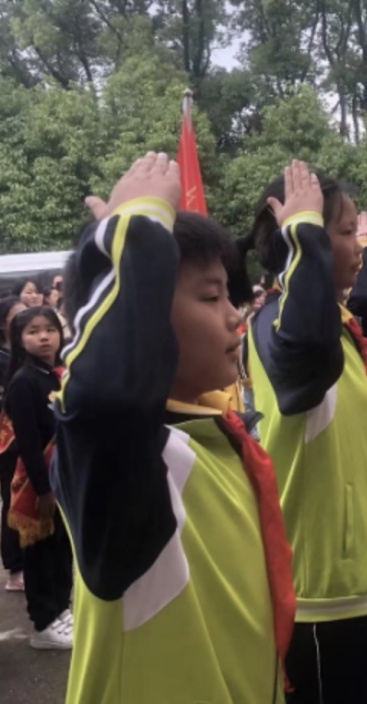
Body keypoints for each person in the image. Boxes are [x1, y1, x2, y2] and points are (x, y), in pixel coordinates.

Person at [54, 153, 295, 701]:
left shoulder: (217, 436)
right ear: (140, 318)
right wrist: (131, 233)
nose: (236, 315)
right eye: (210, 297)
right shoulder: (136, 464)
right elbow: (107, 394)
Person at [245, 161, 367, 704]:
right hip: (319, 595)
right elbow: (305, 359)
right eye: (341, 231)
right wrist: (304, 236)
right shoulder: (277, 326)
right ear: (298, 237)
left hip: (362, 583)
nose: (357, 244)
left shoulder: (340, 325)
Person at [3, 306, 73, 650]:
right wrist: (43, 489)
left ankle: (62, 608)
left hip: (63, 479)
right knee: (40, 554)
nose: (44, 336)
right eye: (33, 331)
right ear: (19, 338)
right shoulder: (23, 382)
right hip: (38, 483)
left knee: (62, 549)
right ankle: (43, 624)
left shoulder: (58, 373)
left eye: (50, 329)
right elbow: (28, 445)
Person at [0, 296, 27, 592]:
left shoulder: (28, 358)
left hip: (30, 437)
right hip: (6, 440)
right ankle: (14, 567)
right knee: (11, 498)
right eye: (18, 315)